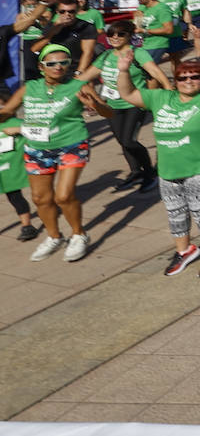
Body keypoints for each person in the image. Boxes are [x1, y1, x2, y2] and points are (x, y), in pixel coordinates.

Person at [118, 52, 200, 277]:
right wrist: (123, 70)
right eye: (183, 78)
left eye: (194, 77)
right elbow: (128, 93)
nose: (189, 81)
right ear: (175, 81)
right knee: (175, 212)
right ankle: (184, 251)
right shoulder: (160, 98)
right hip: (169, 168)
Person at [0, 44, 106, 262]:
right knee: (40, 198)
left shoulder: (79, 85)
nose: (58, 67)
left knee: (64, 196)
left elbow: (109, 112)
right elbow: (7, 111)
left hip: (71, 144)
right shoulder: (29, 88)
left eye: (64, 62)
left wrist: (95, 105)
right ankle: (54, 237)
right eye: (52, 64)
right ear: (41, 67)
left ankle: (79, 235)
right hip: (37, 147)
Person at [77, 19, 170, 193]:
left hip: (135, 103)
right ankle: (136, 172)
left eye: (121, 34)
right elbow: (84, 77)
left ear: (130, 36)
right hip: (113, 105)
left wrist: (169, 90)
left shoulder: (137, 53)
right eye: (111, 34)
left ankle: (149, 174)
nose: (115, 37)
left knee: (129, 140)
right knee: (123, 142)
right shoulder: (106, 56)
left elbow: (155, 72)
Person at [1, 119, 37, 241]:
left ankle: (27, 226)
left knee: (15, 196)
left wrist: (20, 130)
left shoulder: (15, 123)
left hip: (11, 169)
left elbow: (44, 132)